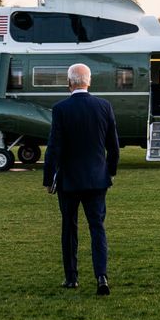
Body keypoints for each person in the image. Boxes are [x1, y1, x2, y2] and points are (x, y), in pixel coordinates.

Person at [43, 63, 120, 295]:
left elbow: (54, 148)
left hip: (69, 180)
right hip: (97, 179)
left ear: (69, 83)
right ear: (89, 81)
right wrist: (110, 171)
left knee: (70, 228)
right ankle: (101, 277)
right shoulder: (104, 106)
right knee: (97, 227)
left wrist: (49, 178)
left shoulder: (60, 109)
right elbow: (113, 147)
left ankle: (72, 277)